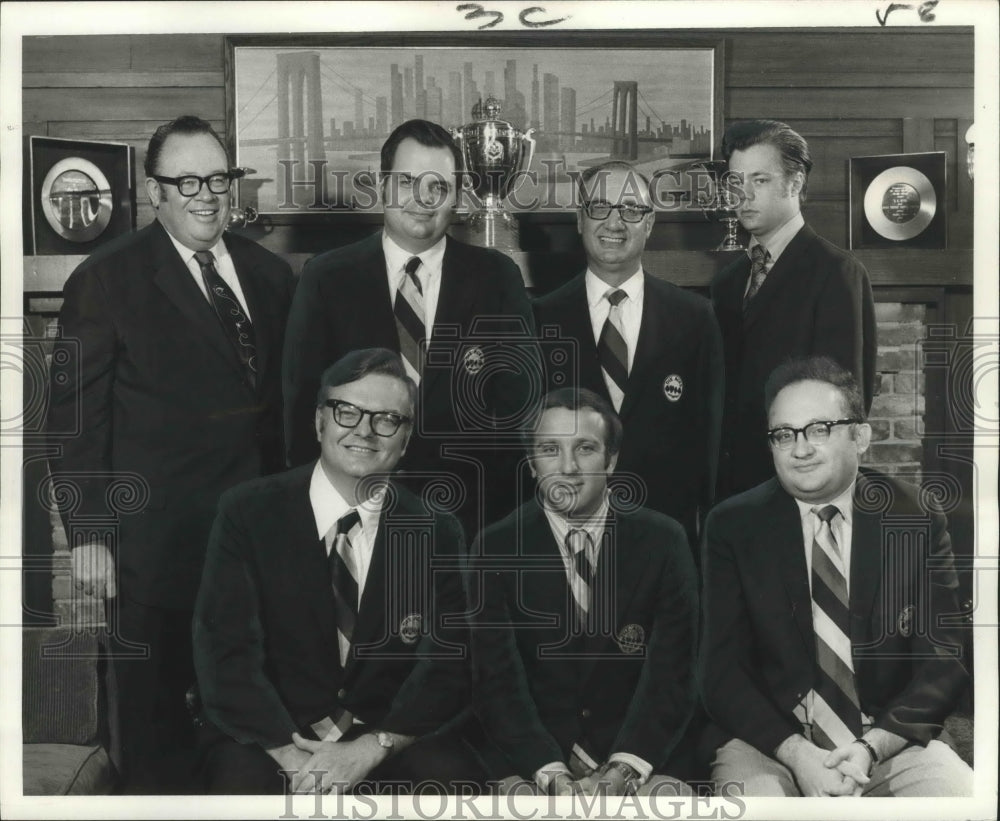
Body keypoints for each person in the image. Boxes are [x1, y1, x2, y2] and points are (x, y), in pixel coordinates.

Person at [46, 115, 294, 792]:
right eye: (186, 180)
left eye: (217, 177)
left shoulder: (272, 276)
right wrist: (90, 536)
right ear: (153, 192)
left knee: (250, 735)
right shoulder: (106, 279)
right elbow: (71, 422)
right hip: (152, 550)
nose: (205, 194)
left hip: (255, 550)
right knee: (155, 746)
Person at [193, 348, 483, 795]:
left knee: (452, 780)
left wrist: (372, 748)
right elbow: (225, 654)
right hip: (272, 736)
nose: (364, 431)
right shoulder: (247, 512)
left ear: (405, 440)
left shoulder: (437, 531)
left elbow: (448, 667)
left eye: (387, 419)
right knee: (239, 787)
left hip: (382, 736)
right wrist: (293, 758)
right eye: (347, 412)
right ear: (319, 421)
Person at [700, 356, 972, 797]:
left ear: (860, 436)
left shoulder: (913, 517)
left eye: (819, 429)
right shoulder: (732, 526)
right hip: (771, 743)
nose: (799, 449)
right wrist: (797, 754)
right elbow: (720, 674)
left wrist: (872, 746)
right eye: (783, 434)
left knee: (956, 796)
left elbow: (945, 662)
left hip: (888, 740)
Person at [282, 118, 540, 539]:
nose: (423, 198)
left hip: (468, 522)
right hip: (352, 519)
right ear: (383, 186)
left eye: (438, 185)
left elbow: (519, 412)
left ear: (456, 195)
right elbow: (300, 414)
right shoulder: (327, 278)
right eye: (407, 182)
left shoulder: (496, 278)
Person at [466, 387, 698, 796]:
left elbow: (671, 675)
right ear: (533, 464)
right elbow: (497, 681)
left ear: (611, 460)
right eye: (550, 450)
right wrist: (551, 772)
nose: (568, 467)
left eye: (585, 449)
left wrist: (622, 770)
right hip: (530, 763)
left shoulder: (664, 540)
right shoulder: (496, 547)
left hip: (639, 760)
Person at [532, 161, 724, 549]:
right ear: (580, 220)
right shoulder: (539, 320)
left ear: (650, 223)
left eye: (632, 209)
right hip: (566, 538)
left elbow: (712, 443)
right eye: (600, 207)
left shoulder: (694, 317)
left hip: (668, 538)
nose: (615, 222)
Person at [712, 119, 876, 500]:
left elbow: (847, 401)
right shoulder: (728, 281)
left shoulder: (837, 272)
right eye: (736, 182)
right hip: (733, 491)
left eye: (760, 180)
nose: (744, 195)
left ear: (795, 183)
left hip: (801, 486)